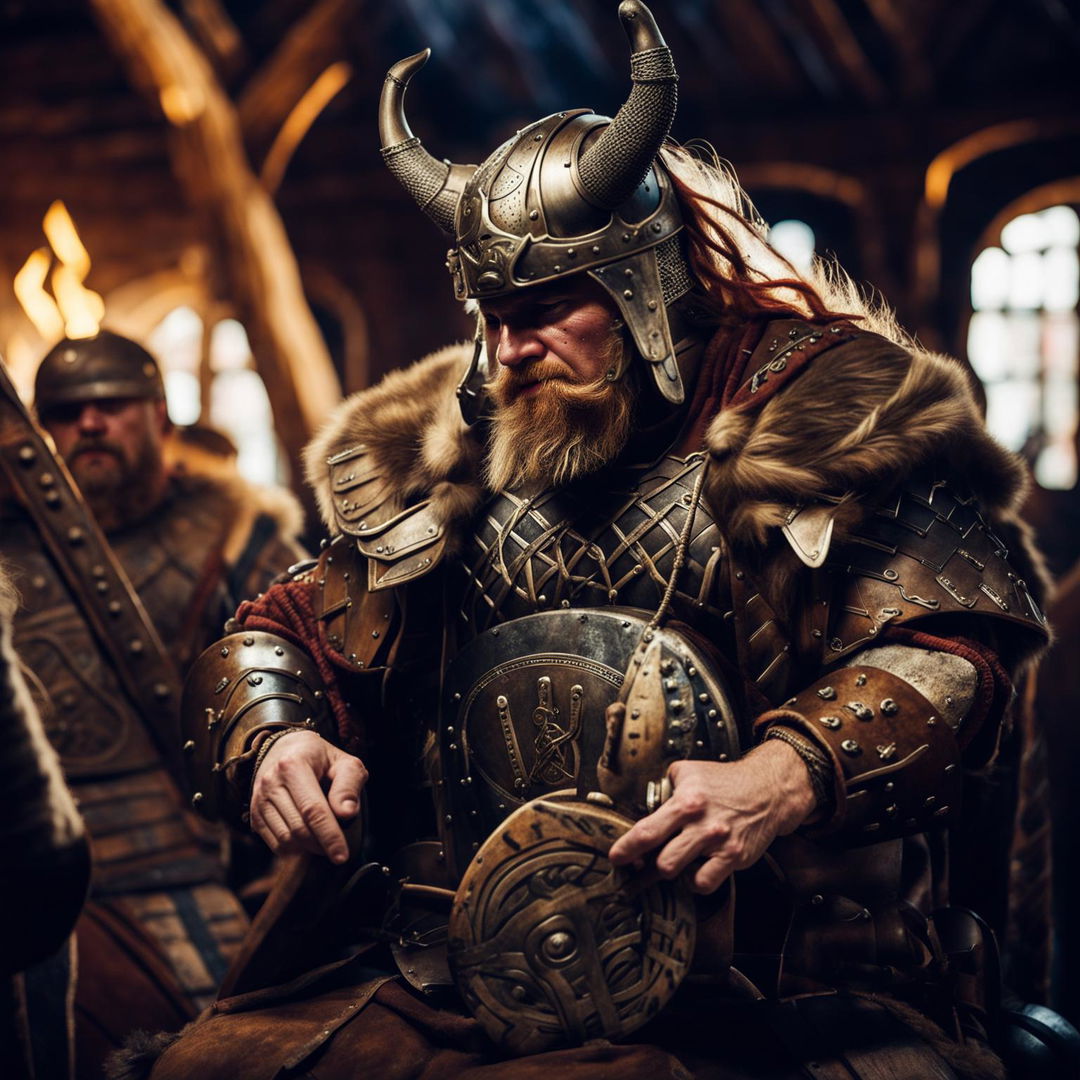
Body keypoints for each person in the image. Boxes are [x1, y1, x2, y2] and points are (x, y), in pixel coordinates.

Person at [138, 3, 1049, 1077]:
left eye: (548, 308)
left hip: (792, 979)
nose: (510, 347)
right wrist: (278, 732)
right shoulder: (456, 457)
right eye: (492, 312)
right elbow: (282, 629)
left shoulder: (832, 422)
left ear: (646, 285)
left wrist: (787, 770)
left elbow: (949, 653)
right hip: (472, 970)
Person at [2, 329, 307, 1074]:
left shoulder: (233, 532)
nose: (91, 425)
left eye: (112, 405)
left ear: (160, 416)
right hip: (34, 855)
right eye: (69, 413)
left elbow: (291, 664)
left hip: (186, 850)